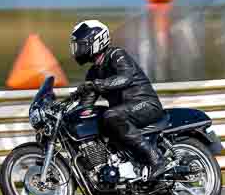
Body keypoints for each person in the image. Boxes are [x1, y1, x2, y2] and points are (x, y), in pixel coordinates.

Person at [70, 19, 166, 180]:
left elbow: (125, 78)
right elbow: (85, 106)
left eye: (81, 44)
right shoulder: (94, 72)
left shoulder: (116, 54)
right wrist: (70, 112)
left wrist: (97, 84)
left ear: (96, 41)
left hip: (145, 104)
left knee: (111, 114)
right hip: (124, 113)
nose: (78, 49)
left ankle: (156, 159)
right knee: (96, 120)